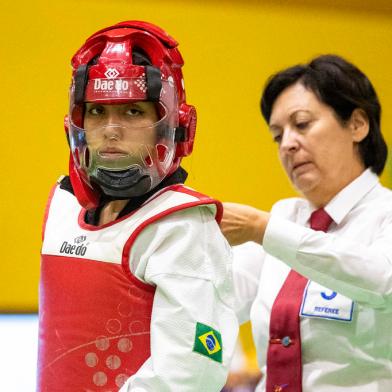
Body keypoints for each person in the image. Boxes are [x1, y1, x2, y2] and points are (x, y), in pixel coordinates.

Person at [38, 21, 238, 391]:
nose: (111, 128)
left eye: (132, 111)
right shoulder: (64, 206)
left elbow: (190, 374)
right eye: (97, 111)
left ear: (176, 124)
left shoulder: (181, 226)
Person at [220, 54, 392, 391]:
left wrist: (262, 229)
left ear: (357, 125)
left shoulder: (385, 213)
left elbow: (380, 280)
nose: (287, 144)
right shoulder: (286, 217)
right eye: (277, 135)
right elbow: (222, 297)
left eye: (302, 124)